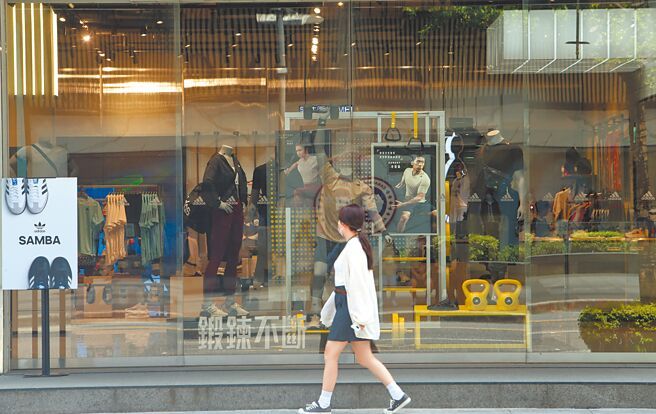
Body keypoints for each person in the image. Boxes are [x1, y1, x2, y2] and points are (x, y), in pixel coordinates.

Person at [298, 204, 411, 414]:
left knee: (331, 354)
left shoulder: (354, 248)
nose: (337, 224)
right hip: (349, 308)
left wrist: (358, 317)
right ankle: (398, 395)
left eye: (339, 221)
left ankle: (324, 403)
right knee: (364, 357)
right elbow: (347, 285)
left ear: (343, 224)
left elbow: (355, 286)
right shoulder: (355, 245)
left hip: (350, 310)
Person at [393, 155, 431, 233]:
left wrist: (403, 204)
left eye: (422, 162)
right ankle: (398, 236)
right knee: (404, 218)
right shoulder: (407, 171)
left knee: (437, 214)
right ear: (412, 163)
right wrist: (388, 191)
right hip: (409, 201)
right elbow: (401, 184)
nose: (420, 164)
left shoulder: (425, 179)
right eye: (418, 161)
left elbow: (419, 197)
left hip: (420, 203)